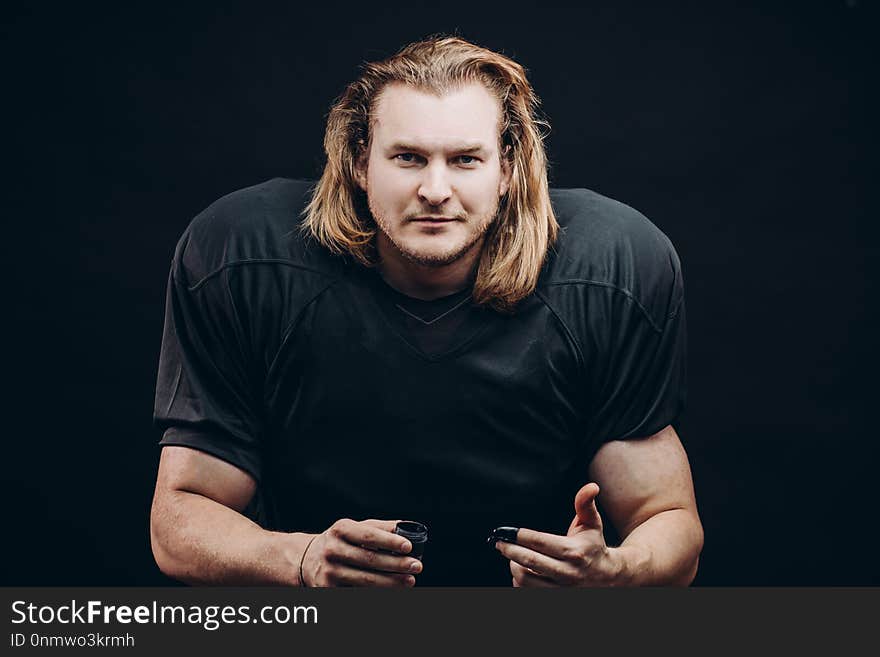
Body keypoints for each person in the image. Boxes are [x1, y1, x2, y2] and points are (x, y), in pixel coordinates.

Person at [150, 36, 703, 587]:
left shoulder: (609, 271)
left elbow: (668, 519)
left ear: (507, 168)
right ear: (361, 161)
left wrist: (615, 574)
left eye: (465, 160)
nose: (435, 190)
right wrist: (300, 558)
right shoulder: (245, 260)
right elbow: (179, 519)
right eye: (409, 157)